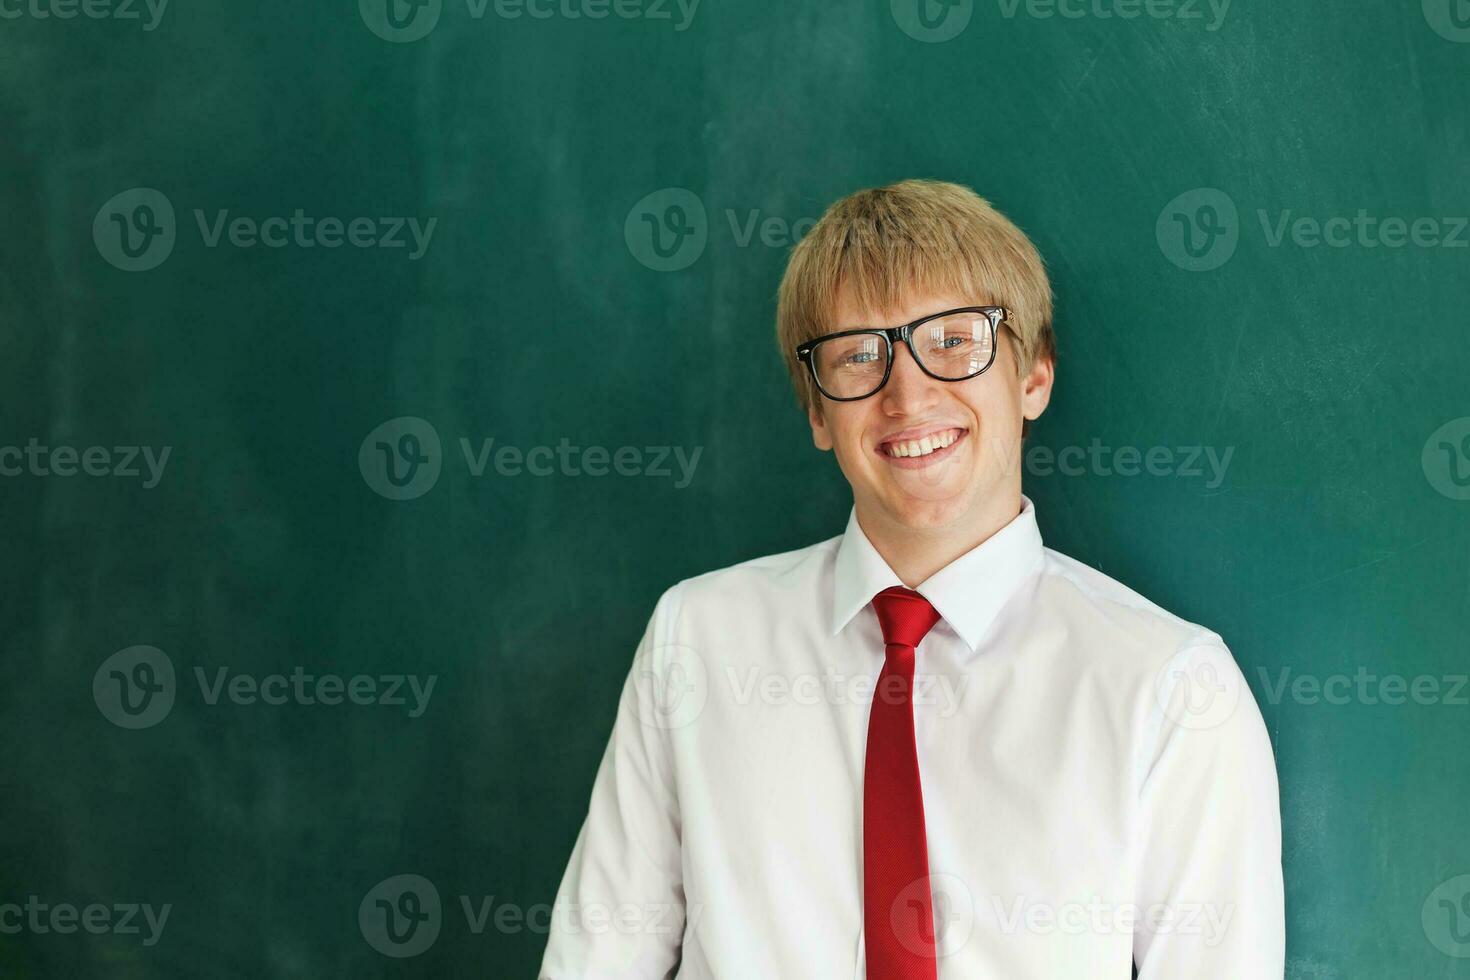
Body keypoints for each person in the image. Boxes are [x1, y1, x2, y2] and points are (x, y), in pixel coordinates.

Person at [539, 178, 1284, 978]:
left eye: (955, 340)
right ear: (820, 414)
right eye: (859, 355)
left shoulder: (1172, 692)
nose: (908, 393)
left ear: (1033, 375)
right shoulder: (697, 640)